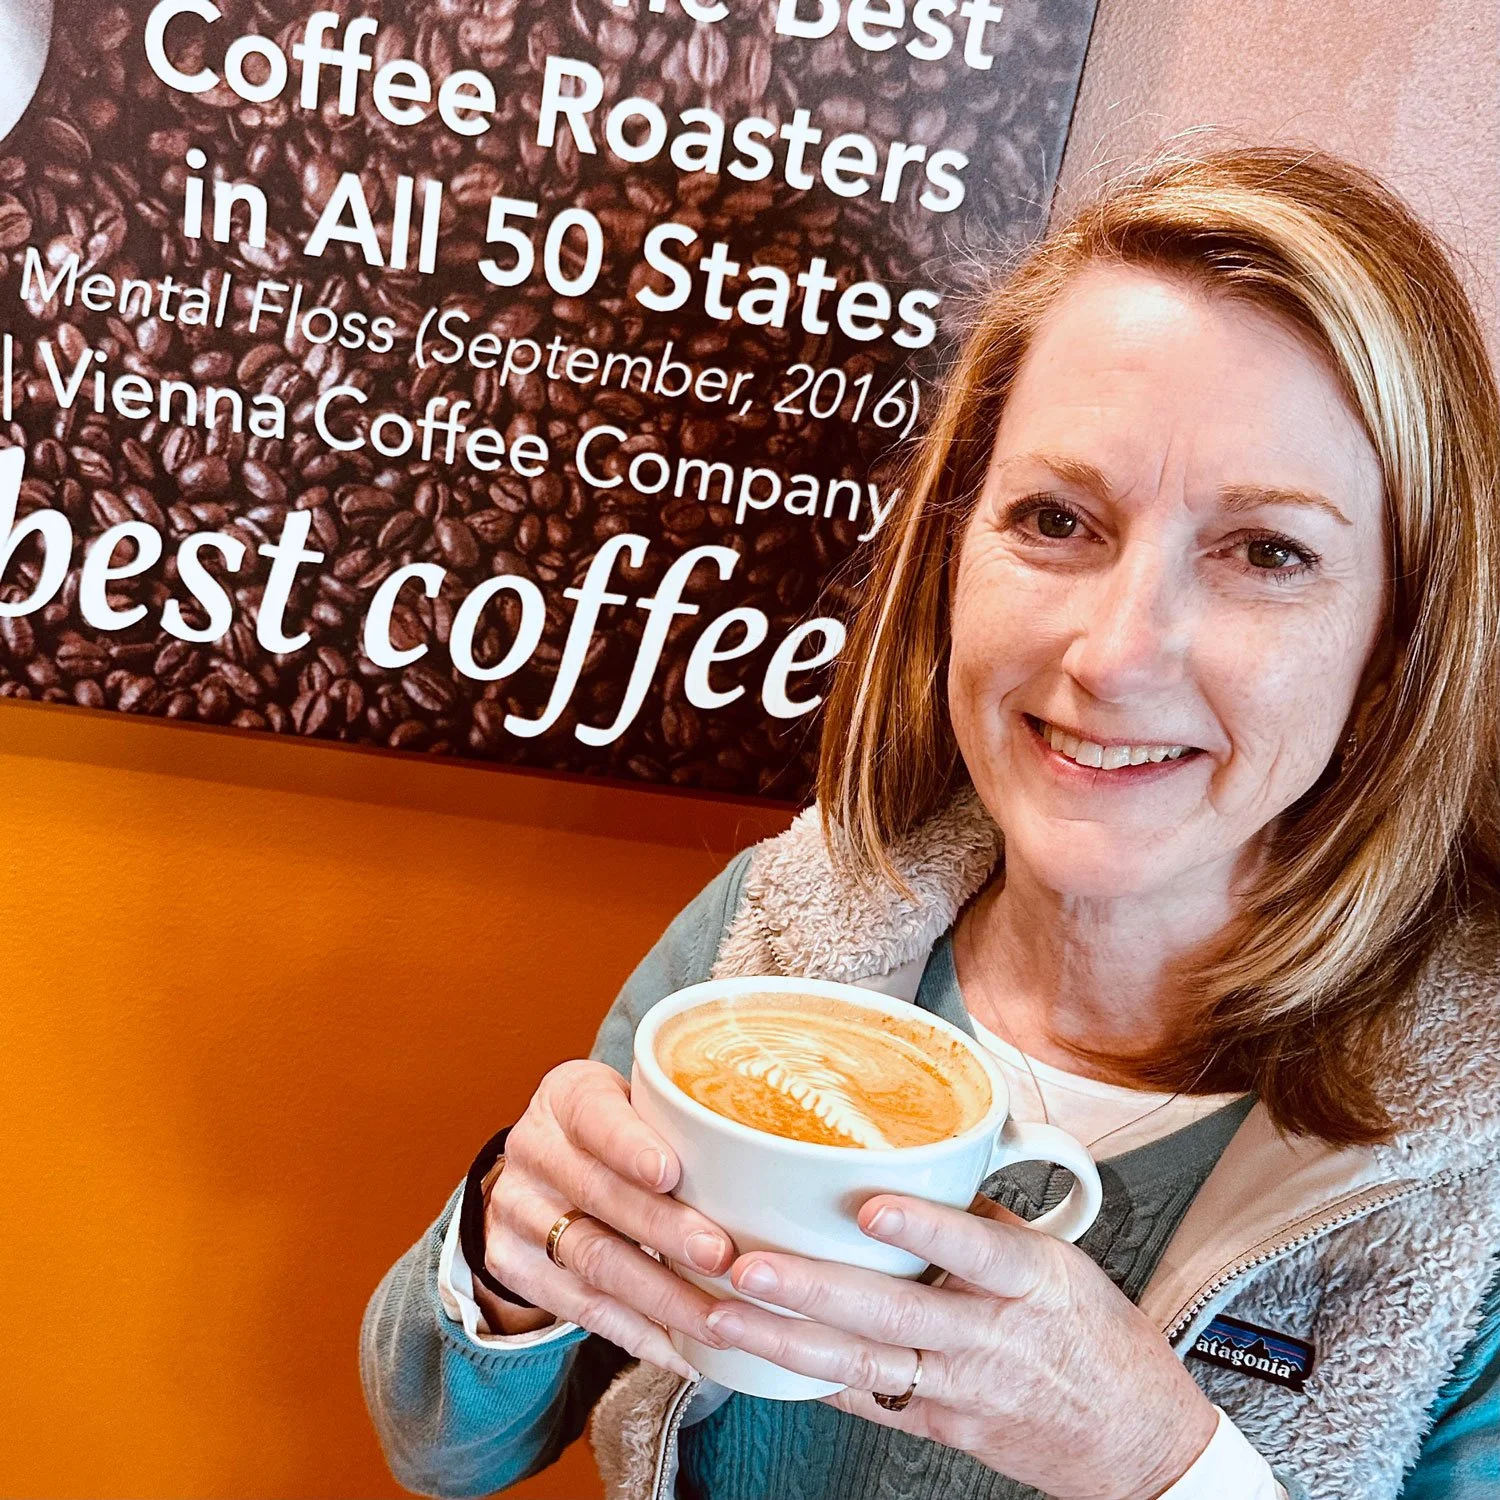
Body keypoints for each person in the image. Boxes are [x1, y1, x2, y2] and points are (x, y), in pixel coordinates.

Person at [359, 146, 1500, 1500]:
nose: (1118, 653)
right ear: (955, 551)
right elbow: (444, 1441)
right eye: (1059, 519)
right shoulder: (782, 932)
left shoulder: (1467, 1147)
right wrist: (510, 1235)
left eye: (1267, 553)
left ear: (1397, 642)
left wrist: (1161, 1461)